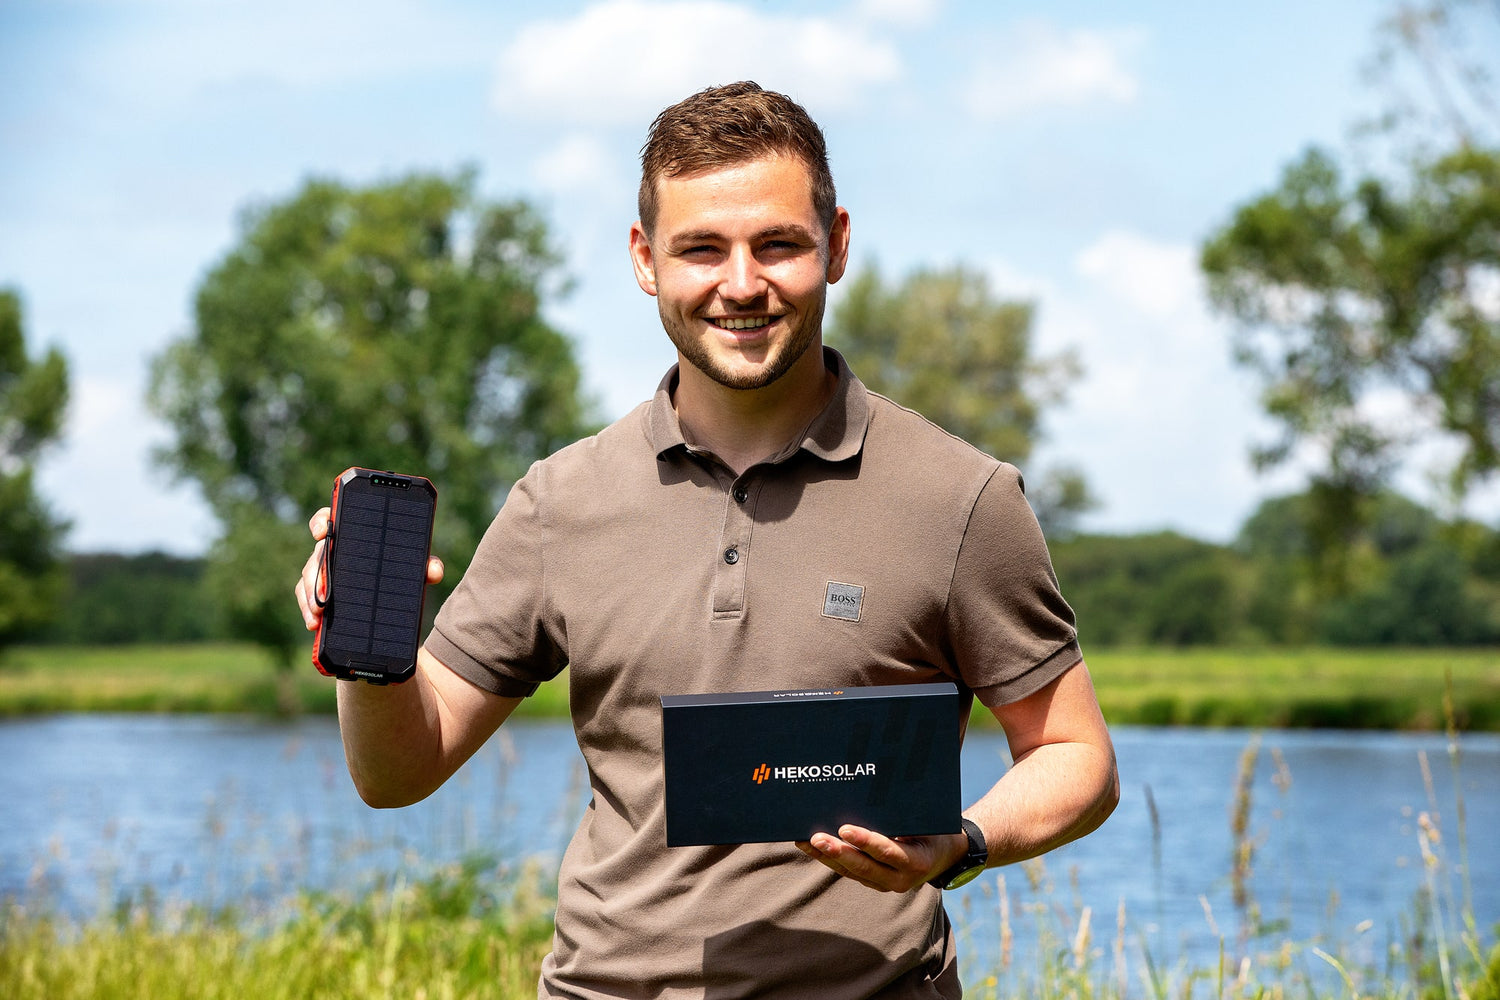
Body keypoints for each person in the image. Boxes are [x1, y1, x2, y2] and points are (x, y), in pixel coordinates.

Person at [295, 80, 1118, 999]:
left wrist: (963, 842)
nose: (740, 284)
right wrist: (373, 657)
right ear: (646, 260)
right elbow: (398, 773)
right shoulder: (560, 500)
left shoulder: (960, 496)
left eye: (778, 244)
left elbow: (1075, 757)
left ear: (836, 245)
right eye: (701, 249)